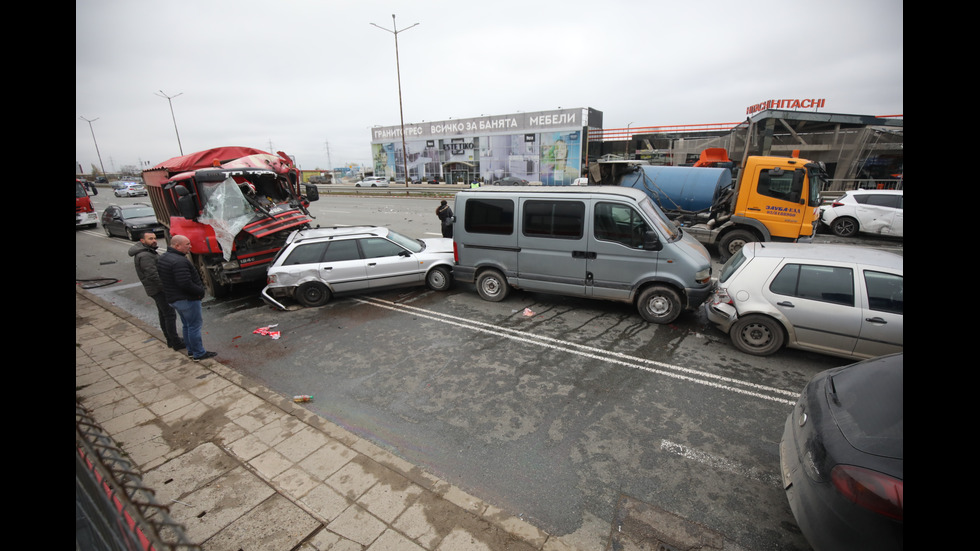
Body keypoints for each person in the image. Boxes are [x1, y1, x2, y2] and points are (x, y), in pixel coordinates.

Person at [157, 235, 217, 361]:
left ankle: (191, 350)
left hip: (175, 299)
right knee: (194, 326)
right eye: (187, 244)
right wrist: (200, 292)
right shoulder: (179, 262)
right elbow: (185, 283)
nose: (190, 246)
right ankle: (199, 353)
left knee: (187, 325)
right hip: (187, 299)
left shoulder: (164, 258)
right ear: (177, 246)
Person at [129, 232, 184, 351]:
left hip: (156, 289)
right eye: (150, 239)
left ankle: (171, 339)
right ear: (142, 241)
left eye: (154, 238)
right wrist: (166, 289)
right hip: (159, 290)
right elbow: (153, 275)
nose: (154, 240)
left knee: (164, 314)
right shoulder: (145, 255)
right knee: (169, 315)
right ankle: (175, 341)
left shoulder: (147, 252)